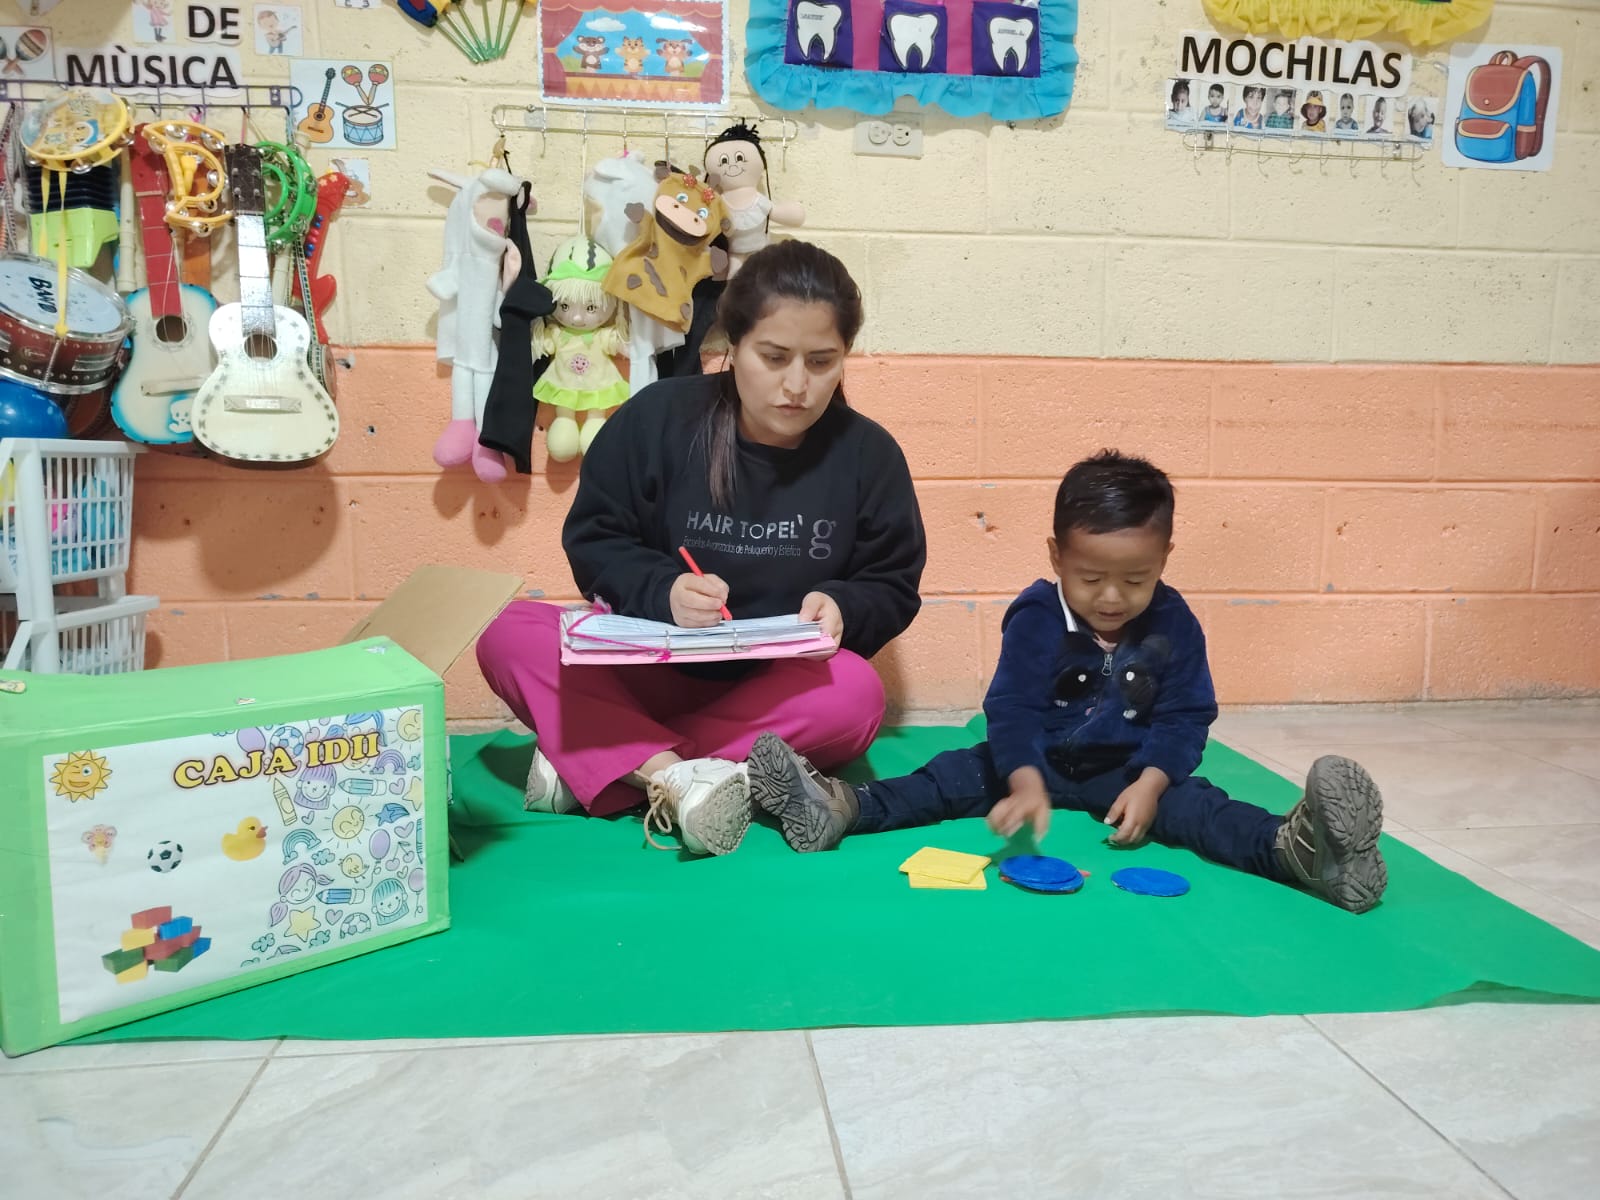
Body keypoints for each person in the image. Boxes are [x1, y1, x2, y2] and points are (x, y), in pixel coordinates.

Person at [746, 451, 1389, 914]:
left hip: (1126, 772)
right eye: (1090, 578)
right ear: (1057, 556)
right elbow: (1012, 710)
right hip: (1033, 762)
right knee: (944, 778)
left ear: (1164, 559)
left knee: (1202, 809)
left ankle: (1301, 853)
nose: (1111, 598)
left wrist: (1152, 783)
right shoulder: (1035, 617)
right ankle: (840, 808)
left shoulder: (1175, 622)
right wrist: (1024, 780)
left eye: (1135, 580)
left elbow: (1186, 717)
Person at [476, 240, 927, 858]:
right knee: (508, 632)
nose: (797, 385)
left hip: (772, 690)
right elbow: (596, 539)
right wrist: (662, 590)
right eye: (774, 357)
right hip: (643, 671)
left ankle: (611, 764)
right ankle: (674, 775)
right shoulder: (658, 417)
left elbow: (893, 583)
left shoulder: (868, 455)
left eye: (822, 362)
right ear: (733, 345)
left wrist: (845, 605)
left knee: (856, 696)